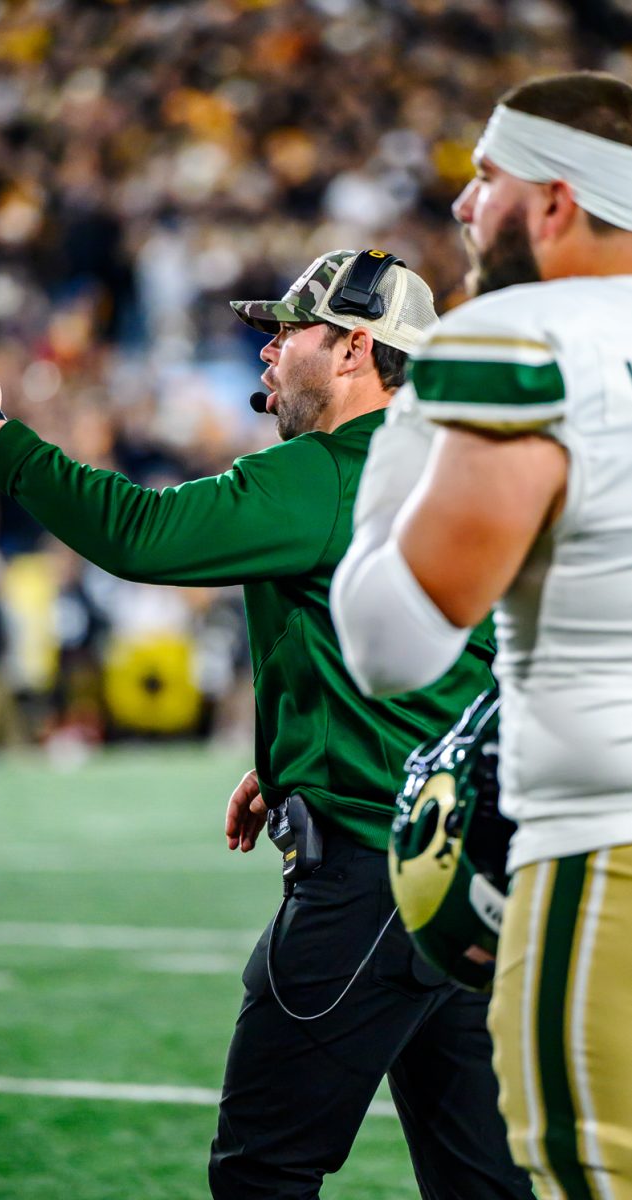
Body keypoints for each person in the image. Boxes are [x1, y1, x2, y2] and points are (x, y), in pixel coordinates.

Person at [0, 249, 531, 1200]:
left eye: (290, 331)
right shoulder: (456, 465)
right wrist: (294, 757)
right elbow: (480, 670)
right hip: (463, 871)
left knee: (262, 1173)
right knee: (480, 1182)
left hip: (368, 873)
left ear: (353, 351)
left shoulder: (321, 473)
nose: (267, 351)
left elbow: (138, 532)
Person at [331, 70, 632, 1200]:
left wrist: (404, 433)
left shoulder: (520, 341)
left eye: (486, 180)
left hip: (606, 842)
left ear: (555, 203)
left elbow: (391, 642)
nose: (463, 208)